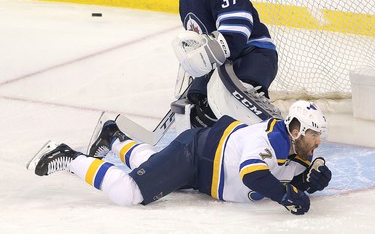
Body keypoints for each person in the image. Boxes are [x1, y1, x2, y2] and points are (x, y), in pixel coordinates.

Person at [27, 100, 332, 215]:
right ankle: (67, 156)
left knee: (153, 164)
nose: (317, 142)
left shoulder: (297, 147)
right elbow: (252, 175)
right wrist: (287, 195)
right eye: (313, 134)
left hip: (203, 171)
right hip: (194, 156)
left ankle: (114, 138)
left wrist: (310, 180)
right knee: (128, 193)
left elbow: (291, 177)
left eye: (319, 135)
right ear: (295, 129)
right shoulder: (270, 139)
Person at [168, 0, 278, 128]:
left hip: (253, 53)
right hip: (222, 64)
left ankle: (273, 131)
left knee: (236, 105)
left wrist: (218, 51)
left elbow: (238, 25)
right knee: (198, 109)